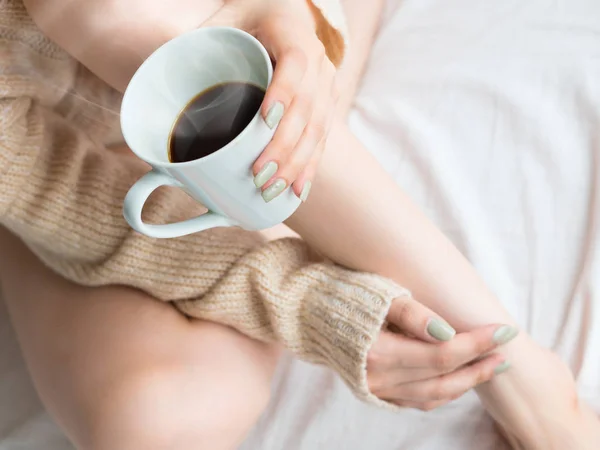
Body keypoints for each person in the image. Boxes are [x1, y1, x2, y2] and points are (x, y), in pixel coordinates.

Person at [2, 0, 598, 448]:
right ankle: (264, 188)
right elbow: (64, 201)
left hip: (232, 26)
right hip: (60, 154)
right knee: (160, 421)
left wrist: (282, 12)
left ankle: (515, 367)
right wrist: (310, 303)